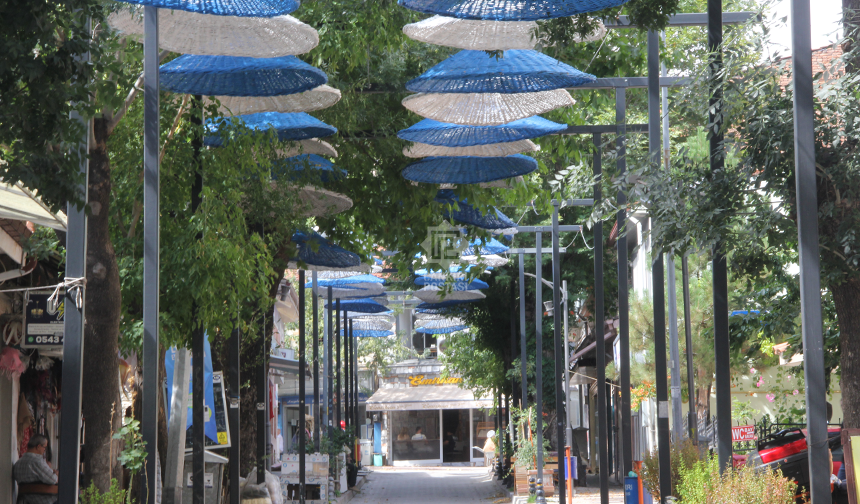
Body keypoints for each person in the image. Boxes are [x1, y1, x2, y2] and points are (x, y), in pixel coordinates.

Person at [13, 434, 57, 504]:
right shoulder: (36, 461)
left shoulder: (18, 463)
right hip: (45, 500)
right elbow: (53, 479)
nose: (44, 450)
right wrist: (55, 473)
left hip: (27, 500)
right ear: (38, 447)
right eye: (44, 447)